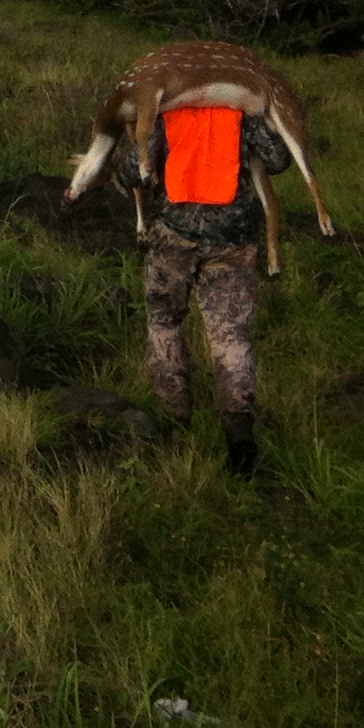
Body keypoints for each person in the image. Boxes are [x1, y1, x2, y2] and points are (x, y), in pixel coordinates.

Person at [119, 102, 293, 477]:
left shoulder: (169, 114)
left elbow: (132, 170)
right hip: (233, 242)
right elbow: (279, 160)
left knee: (165, 322)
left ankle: (175, 416)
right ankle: (239, 430)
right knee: (231, 334)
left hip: (172, 238)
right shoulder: (241, 115)